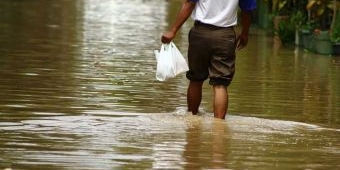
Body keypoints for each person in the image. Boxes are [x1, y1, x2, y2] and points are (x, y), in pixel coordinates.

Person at [161, 0, 256, 119]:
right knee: (220, 84)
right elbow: (247, 10)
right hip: (225, 36)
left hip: (200, 34)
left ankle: (192, 120)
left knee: (195, 80)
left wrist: (173, 31)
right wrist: (245, 33)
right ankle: (219, 127)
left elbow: (189, 4)